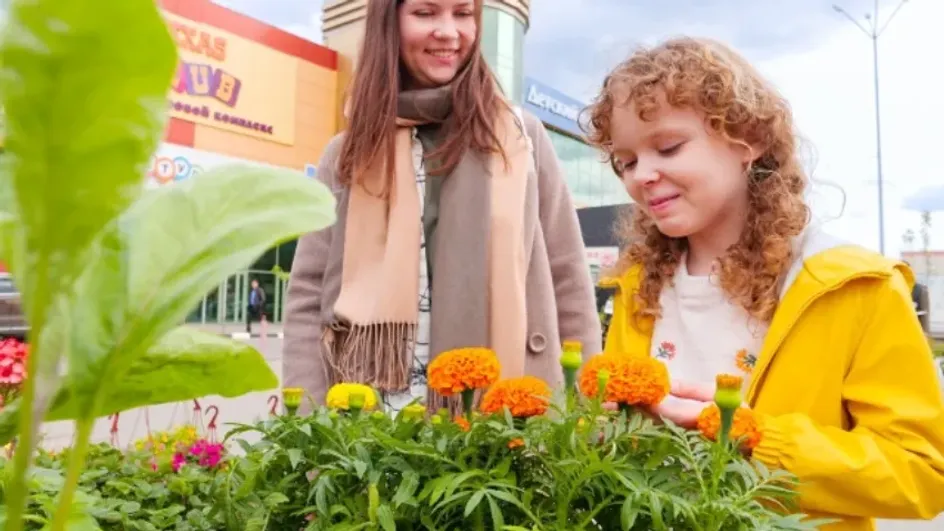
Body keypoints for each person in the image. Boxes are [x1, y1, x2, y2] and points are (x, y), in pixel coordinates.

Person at [586, 37, 944, 530]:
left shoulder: (854, 287)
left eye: (667, 146)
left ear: (747, 138)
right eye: (625, 161)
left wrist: (752, 436)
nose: (641, 175)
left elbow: (922, 475)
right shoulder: (636, 288)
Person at [283, 0, 600, 413]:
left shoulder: (521, 138)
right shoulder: (348, 152)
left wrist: (589, 410)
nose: (449, 32)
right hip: (372, 422)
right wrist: (306, 424)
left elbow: (568, 279)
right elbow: (308, 293)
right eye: (426, 12)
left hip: (506, 411)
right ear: (390, 22)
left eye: (463, 13)